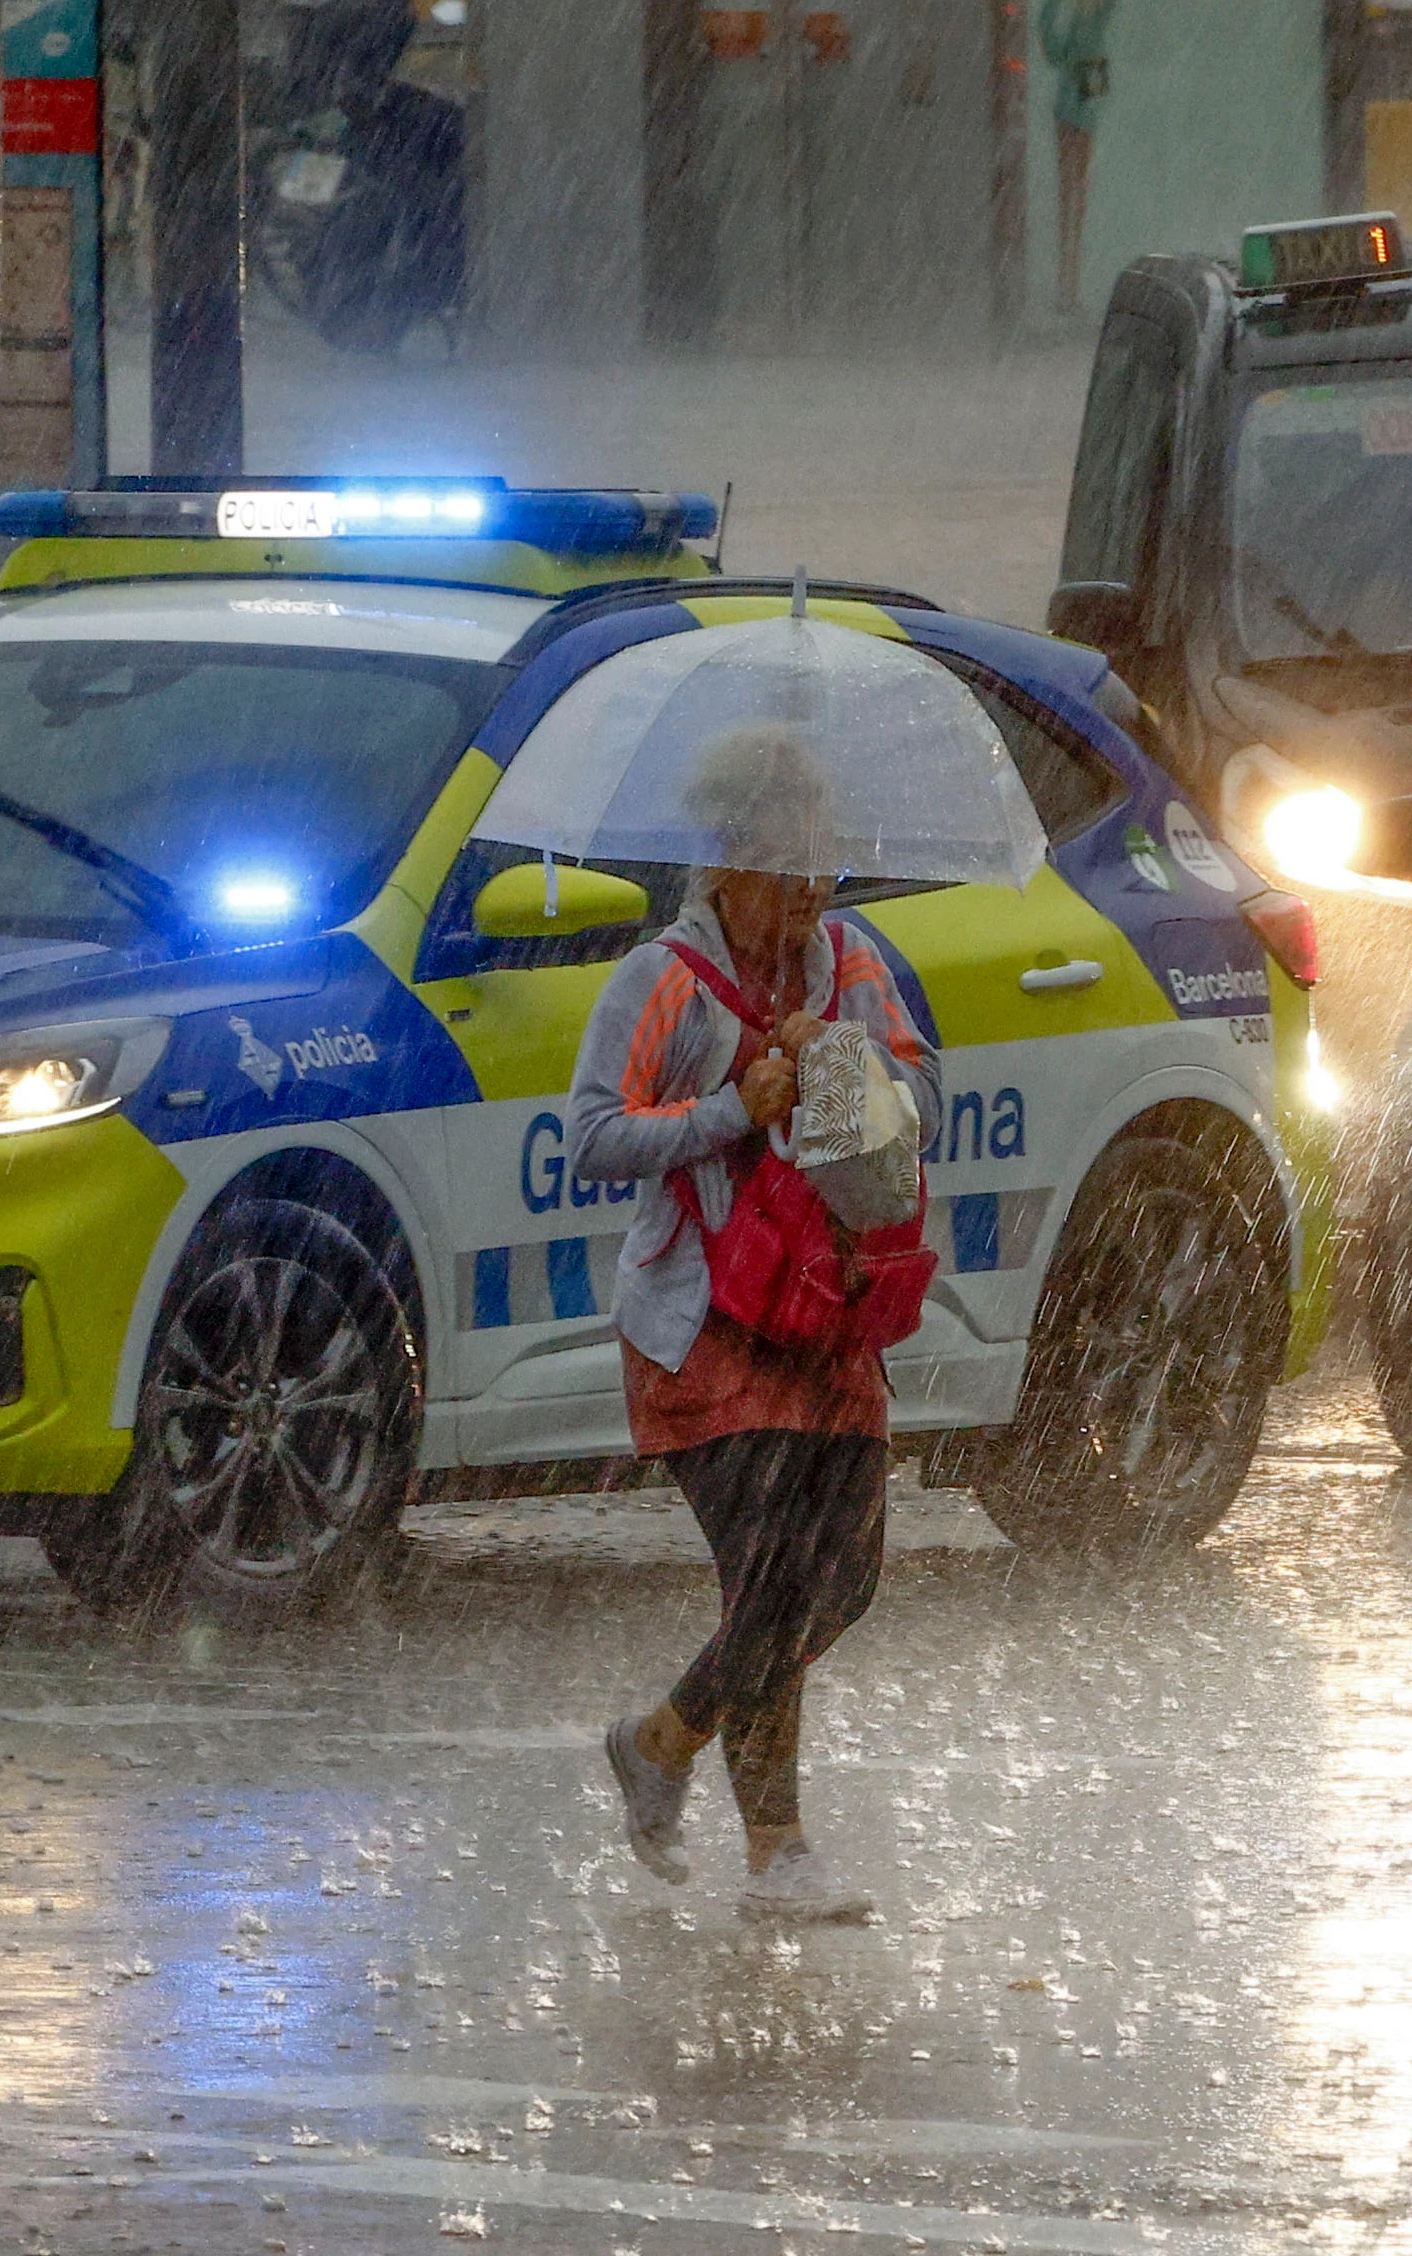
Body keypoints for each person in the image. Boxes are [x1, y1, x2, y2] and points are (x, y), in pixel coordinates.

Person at [572, 729, 938, 1925]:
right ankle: (779, 1856)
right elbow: (594, 1137)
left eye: (826, 862)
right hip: (706, 1325)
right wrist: (732, 1106)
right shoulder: (663, 982)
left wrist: (834, 1066)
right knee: (771, 1572)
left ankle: (665, 1741)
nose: (814, 889)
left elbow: (922, 1096)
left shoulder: (851, 967)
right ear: (727, 860)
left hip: (828, 1312)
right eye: (791, 863)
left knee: (846, 1581)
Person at [1038, 0, 1117, 312]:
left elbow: (1051, 43)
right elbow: (1052, 43)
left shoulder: (1085, 26)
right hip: (1076, 108)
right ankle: (1067, 289)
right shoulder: (1088, 26)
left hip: (1075, 107)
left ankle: (1068, 289)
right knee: (1073, 200)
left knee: (1072, 199)